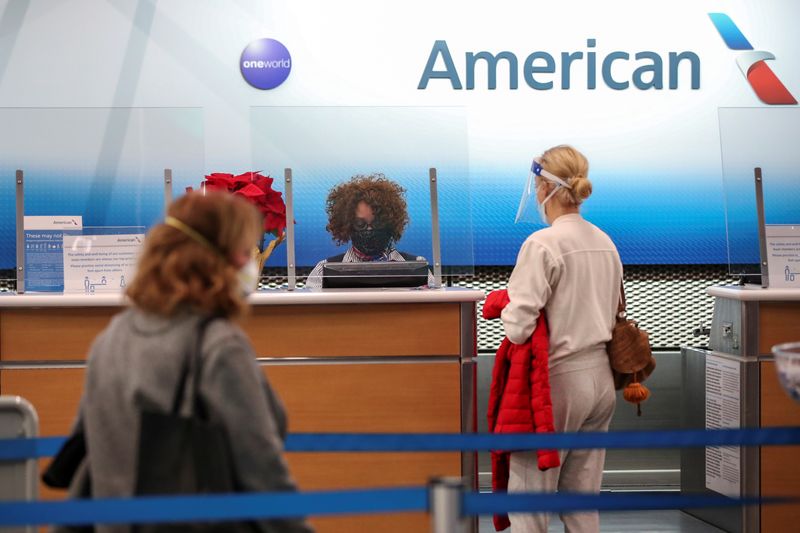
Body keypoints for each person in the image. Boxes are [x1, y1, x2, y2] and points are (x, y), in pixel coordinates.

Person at [59, 191, 313, 533]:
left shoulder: (112, 337)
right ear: (212, 259)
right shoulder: (217, 345)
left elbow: (86, 452)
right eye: (243, 250)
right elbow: (262, 470)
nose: (251, 260)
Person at [501, 145, 622, 533]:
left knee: (530, 502)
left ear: (543, 189)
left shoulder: (543, 244)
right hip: (601, 378)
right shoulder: (605, 242)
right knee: (582, 502)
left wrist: (501, 303)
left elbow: (518, 326)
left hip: (555, 382)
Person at [305, 173, 434, 289]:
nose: (369, 229)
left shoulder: (417, 267)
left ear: (390, 223)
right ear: (347, 226)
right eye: (360, 224)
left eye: (377, 223)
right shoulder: (323, 271)